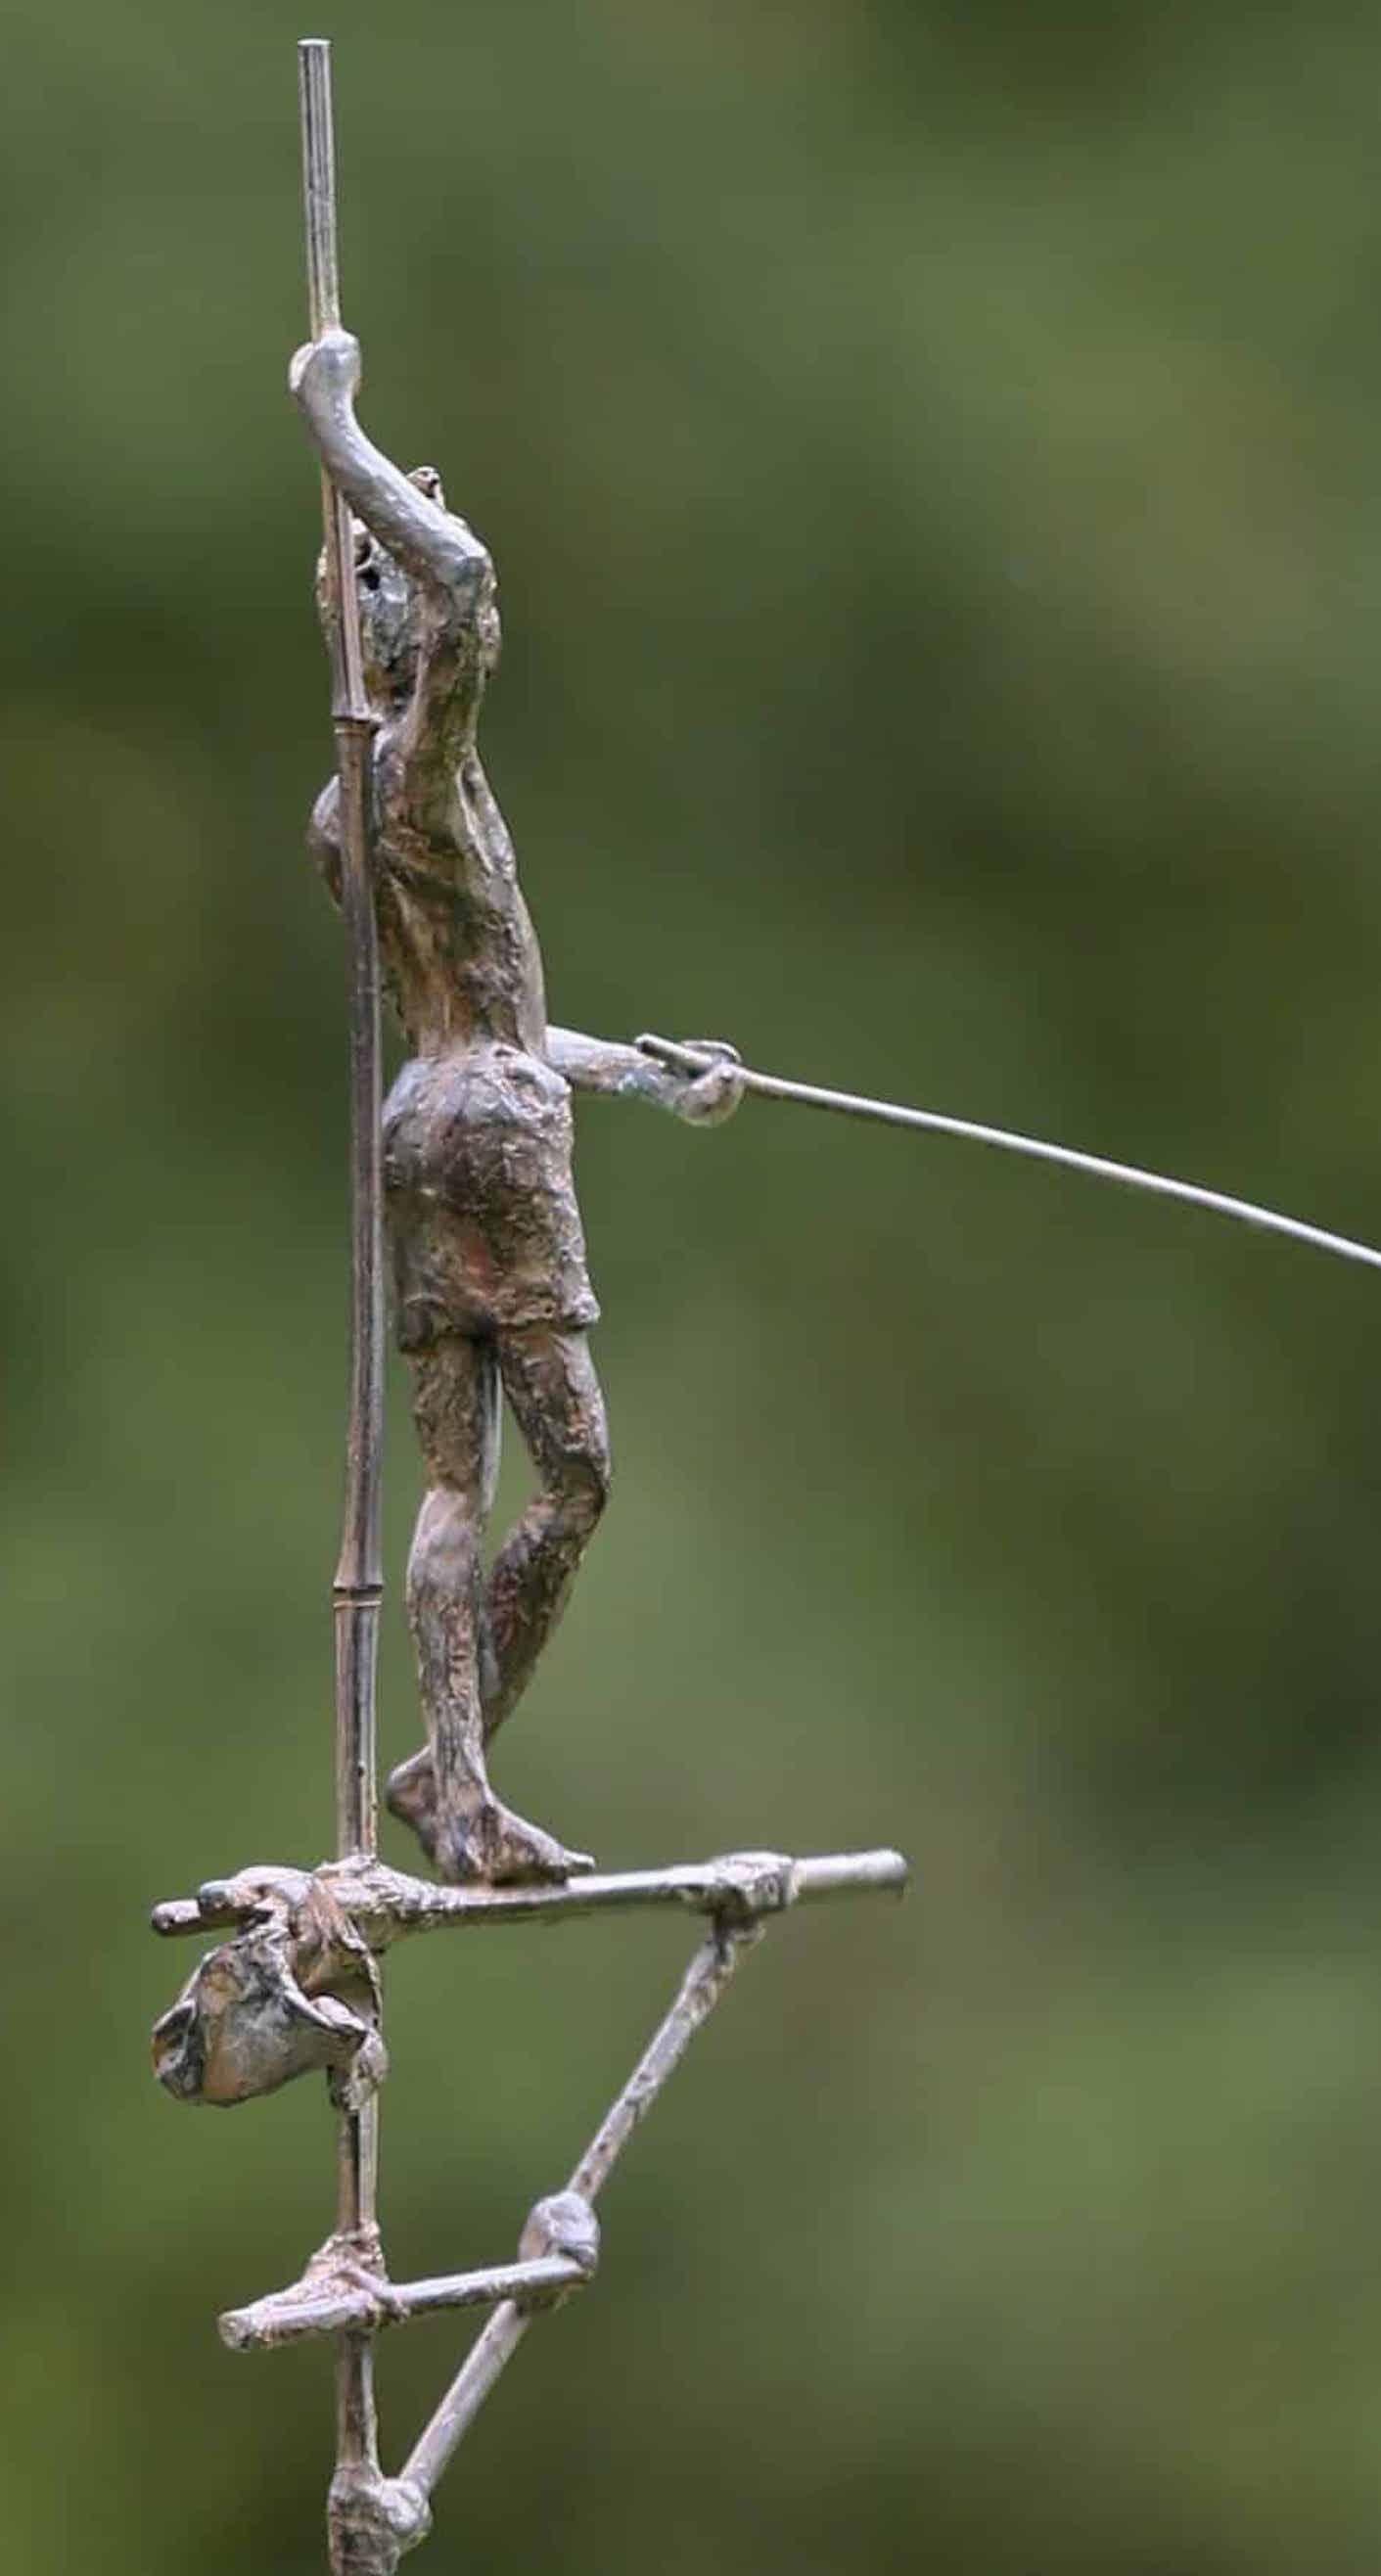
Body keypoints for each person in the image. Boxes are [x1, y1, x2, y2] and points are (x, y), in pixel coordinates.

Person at [291, 327, 739, 1886]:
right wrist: (339, 434)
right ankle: (454, 1776)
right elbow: (467, 579)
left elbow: (489, 1014)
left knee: (460, 1482)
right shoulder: (419, 763)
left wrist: (640, 1072)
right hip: (490, 1128)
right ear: (391, 625)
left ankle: (454, 1781)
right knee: (577, 1476)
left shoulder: (348, 809)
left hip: (431, 1110)